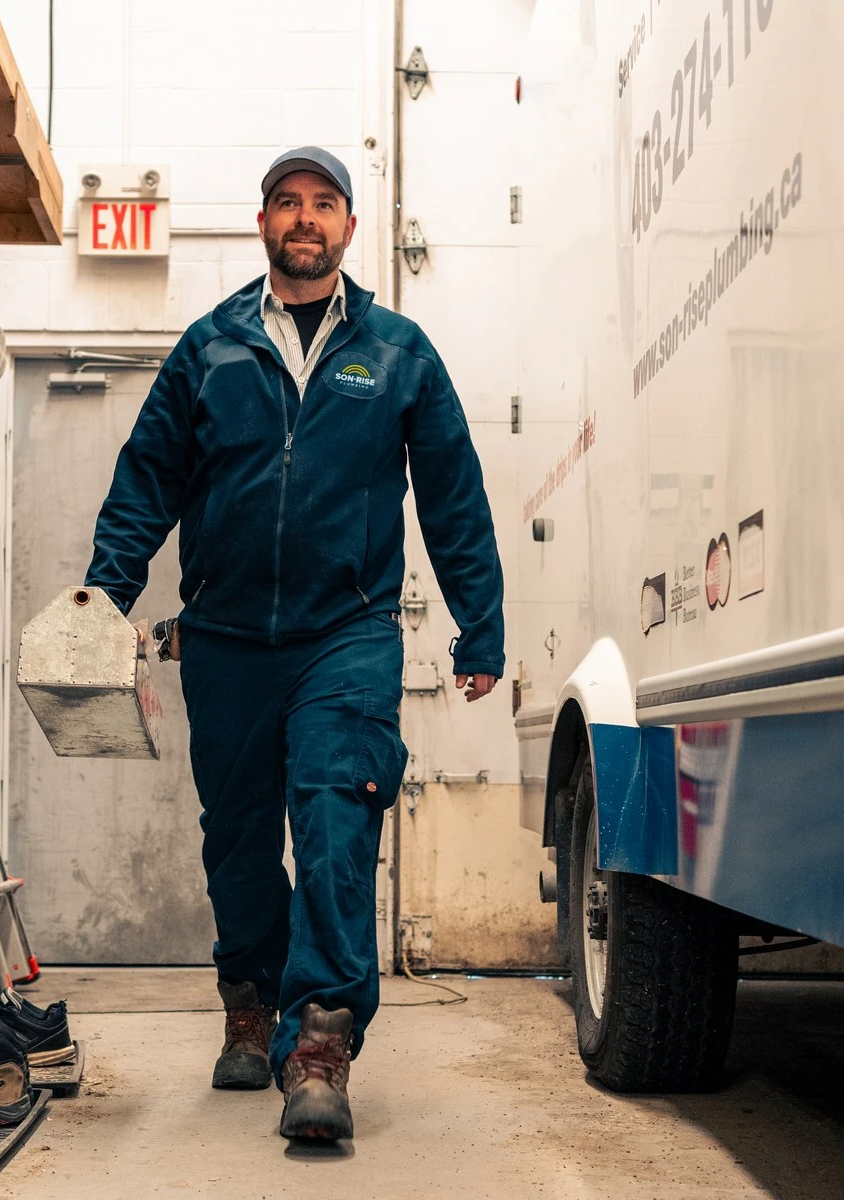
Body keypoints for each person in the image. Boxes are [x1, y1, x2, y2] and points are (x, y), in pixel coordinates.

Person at [84, 146, 504, 1141]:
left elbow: (452, 492)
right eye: (287, 202)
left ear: (349, 227)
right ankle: (251, 999)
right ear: (263, 223)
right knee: (236, 838)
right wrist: (103, 596)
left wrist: (479, 624)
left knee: (333, 817)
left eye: (323, 203)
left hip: (345, 631)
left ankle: (320, 1040)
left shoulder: (397, 352)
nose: (304, 218)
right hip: (226, 637)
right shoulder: (211, 347)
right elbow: (147, 478)